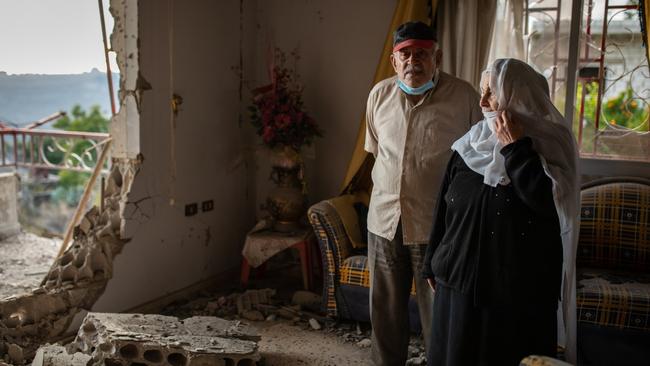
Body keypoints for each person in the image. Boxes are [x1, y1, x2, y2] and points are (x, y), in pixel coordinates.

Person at [421, 58, 579, 365]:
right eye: (482, 92)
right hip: (458, 280)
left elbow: (549, 204)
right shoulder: (471, 143)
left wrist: (515, 148)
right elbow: (443, 208)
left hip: (514, 295)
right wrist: (432, 262)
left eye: (491, 93)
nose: (482, 102)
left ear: (516, 95)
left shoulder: (550, 145)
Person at [364, 21, 482, 365]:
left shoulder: (464, 97)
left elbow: (477, 161)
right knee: (384, 312)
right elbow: (377, 152)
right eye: (405, 54)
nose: (413, 61)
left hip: (438, 225)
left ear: (437, 57)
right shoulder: (378, 96)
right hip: (385, 221)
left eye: (421, 54)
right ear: (393, 60)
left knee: (439, 314)